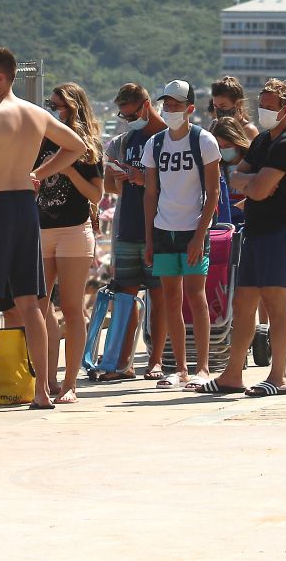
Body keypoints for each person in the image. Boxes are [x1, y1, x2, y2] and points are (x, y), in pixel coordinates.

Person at [0, 46, 83, 412]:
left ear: (1, 76)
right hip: (24, 208)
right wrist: (39, 173)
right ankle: (41, 390)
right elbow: (77, 146)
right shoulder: (36, 114)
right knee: (30, 303)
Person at [208, 79, 286, 398]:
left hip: (279, 231)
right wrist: (254, 182)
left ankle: (278, 376)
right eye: (261, 103)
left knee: (276, 303)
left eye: (269, 105)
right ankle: (232, 374)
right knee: (243, 303)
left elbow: (256, 186)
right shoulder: (264, 140)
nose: (264, 109)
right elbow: (237, 175)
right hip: (255, 228)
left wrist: (252, 183)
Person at [142, 80, 219, 389]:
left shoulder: (204, 141)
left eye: (176, 104)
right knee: (171, 298)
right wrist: (149, 238)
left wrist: (200, 236)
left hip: (193, 228)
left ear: (189, 108)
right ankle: (181, 368)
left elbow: (213, 192)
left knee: (196, 297)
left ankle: (203, 367)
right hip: (163, 229)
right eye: (167, 104)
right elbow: (150, 192)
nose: (170, 109)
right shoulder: (155, 144)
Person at [34, 82, 105, 404]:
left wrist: (69, 169)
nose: (55, 110)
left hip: (74, 230)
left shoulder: (88, 146)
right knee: (38, 305)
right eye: (52, 105)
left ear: (75, 107)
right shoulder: (42, 138)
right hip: (41, 229)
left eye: (60, 105)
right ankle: (47, 377)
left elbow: (96, 195)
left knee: (73, 309)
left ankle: (71, 382)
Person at [101, 84, 168, 381]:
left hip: (160, 225)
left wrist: (145, 179)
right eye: (124, 116)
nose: (128, 121)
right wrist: (116, 176)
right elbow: (107, 187)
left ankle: (156, 361)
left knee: (160, 296)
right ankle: (123, 362)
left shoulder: (169, 137)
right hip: (128, 225)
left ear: (146, 105)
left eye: (131, 115)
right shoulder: (124, 141)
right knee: (125, 298)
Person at [208, 75, 260, 140]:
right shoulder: (213, 126)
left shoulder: (248, 130)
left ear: (238, 104)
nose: (218, 111)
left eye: (223, 106)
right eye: (215, 106)